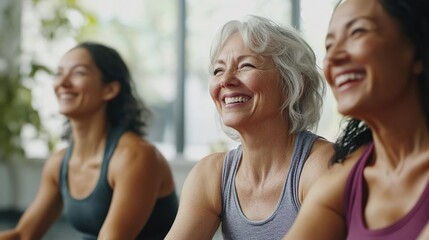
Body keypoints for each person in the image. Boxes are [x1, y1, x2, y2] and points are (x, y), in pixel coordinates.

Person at [165, 15, 333, 239]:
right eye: (218, 70)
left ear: (294, 83)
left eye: (245, 66)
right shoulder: (211, 175)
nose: (226, 80)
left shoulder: (320, 165)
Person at [0, 42, 178, 240]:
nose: (63, 83)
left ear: (110, 89)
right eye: (59, 73)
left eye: (78, 73)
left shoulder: (136, 156)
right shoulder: (59, 163)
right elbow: (23, 235)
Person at [284, 0, 429, 239]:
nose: (334, 58)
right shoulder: (350, 175)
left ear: (417, 51)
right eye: (329, 45)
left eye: (357, 32)